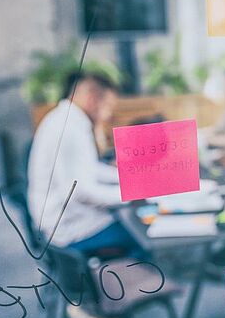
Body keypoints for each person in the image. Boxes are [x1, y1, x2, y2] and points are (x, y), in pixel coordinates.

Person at [27, 71, 145, 259]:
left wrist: (127, 177)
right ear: (91, 99)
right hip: (69, 231)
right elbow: (81, 192)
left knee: (130, 218)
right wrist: (133, 194)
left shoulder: (65, 119)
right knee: (140, 235)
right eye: (108, 106)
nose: (108, 115)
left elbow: (89, 168)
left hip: (58, 221)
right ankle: (128, 285)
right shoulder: (69, 129)